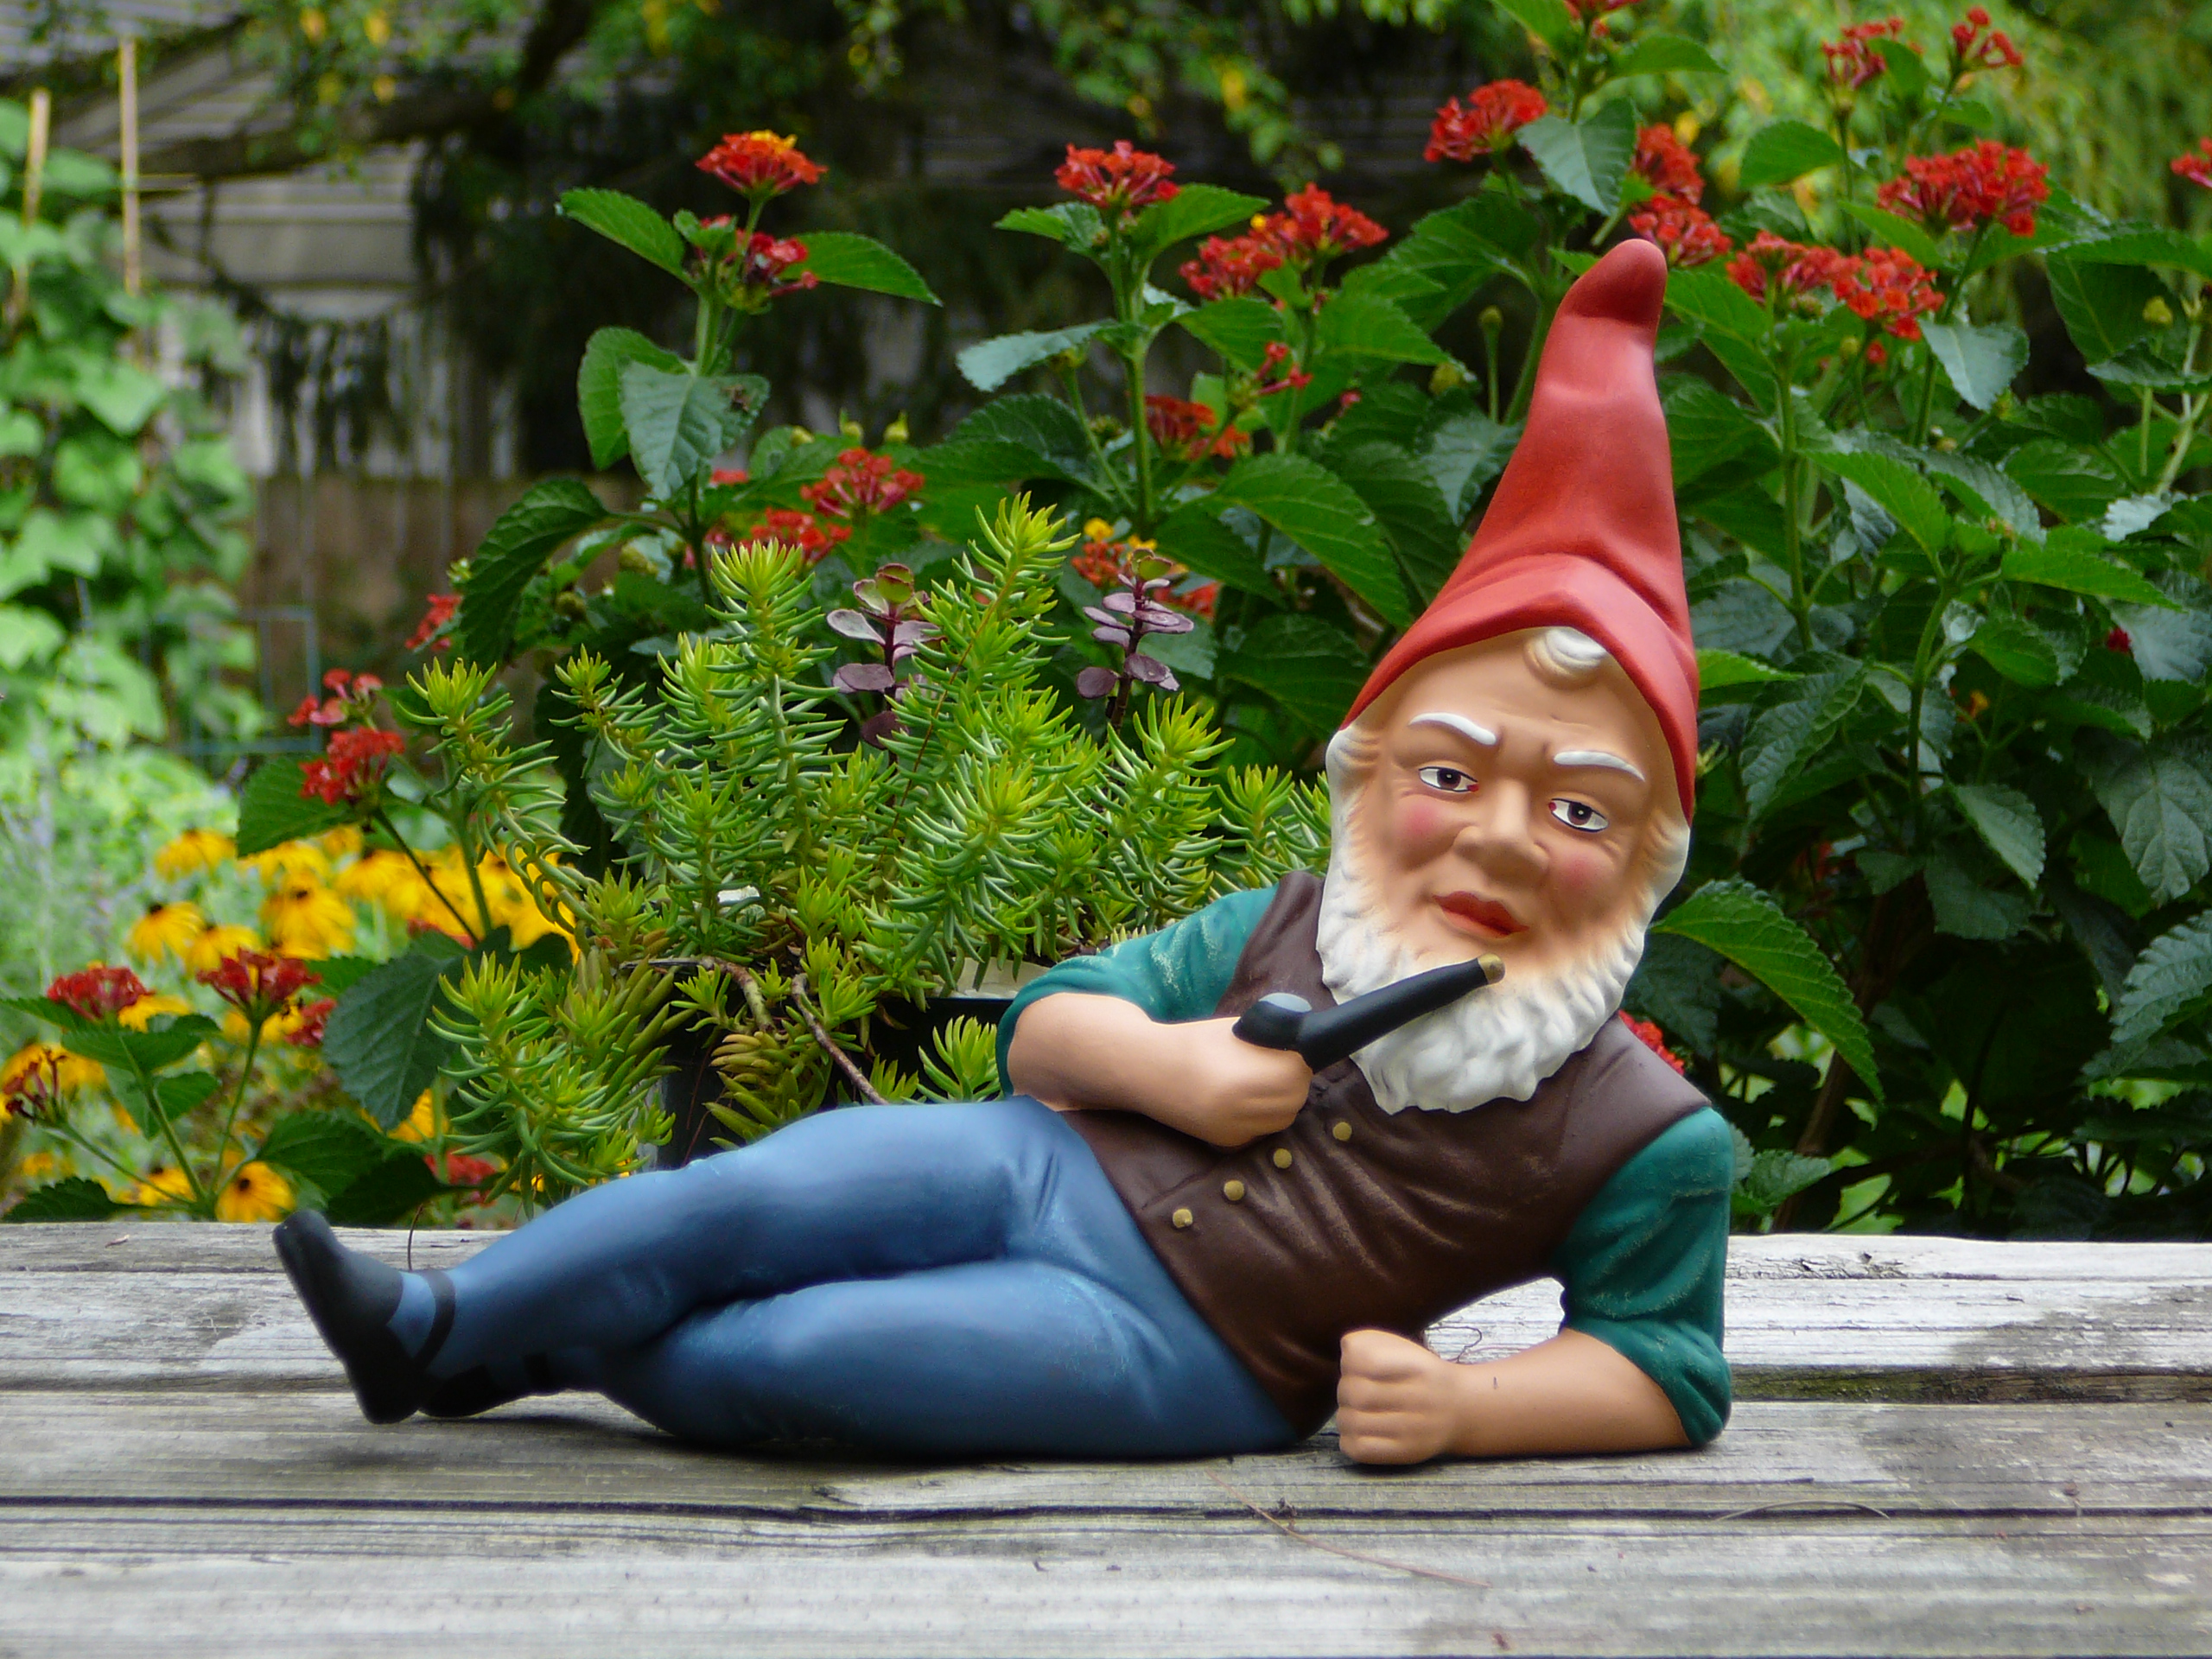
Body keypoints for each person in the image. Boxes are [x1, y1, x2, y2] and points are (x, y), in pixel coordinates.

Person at [274, 238, 1733, 1465]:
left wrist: (1471, 1408)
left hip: (1185, 1348)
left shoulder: (1641, 1135)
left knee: (809, 1353)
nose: (1498, 839)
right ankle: (445, 1326)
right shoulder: (1289, 925)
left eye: (1580, 811)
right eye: (1450, 774)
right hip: (1041, 1165)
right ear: (1369, 774)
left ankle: (547, 1349)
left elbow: (1670, 1369)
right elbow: (1043, 1028)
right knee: (745, 1197)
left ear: (1650, 853)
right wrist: (1171, 1067)